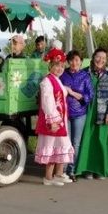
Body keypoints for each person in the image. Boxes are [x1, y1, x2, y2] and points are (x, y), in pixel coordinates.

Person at [75, 47, 108, 179]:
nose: (101, 60)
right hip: (86, 110)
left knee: (101, 140)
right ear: (93, 57)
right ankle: (86, 169)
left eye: (104, 58)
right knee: (87, 138)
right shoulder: (84, 72)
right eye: (98, 57)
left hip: (103, 111)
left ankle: (99, 170)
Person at [35, 47, 75, 186]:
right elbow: (47, 102)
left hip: (61, 121)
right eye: (57, 65)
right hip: (52, 121)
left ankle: (58, 174)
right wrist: (53, 120)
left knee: (62, 146)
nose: (60, 68)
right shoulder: (47, 81)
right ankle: (48, 177)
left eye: (62, 66)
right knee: (52, 147)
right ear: (51, 65)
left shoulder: (57, 80)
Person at [60, 49, 94, 181]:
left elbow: (90, 95)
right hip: (65, 113)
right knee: (64, 142)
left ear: (81, 62)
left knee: (76, 143)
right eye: (72, 60)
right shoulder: (63, 75)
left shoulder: (85, 76)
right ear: (68, 61)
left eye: (77, 60)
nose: (74, 63)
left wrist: (79, 96)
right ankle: (61, 170)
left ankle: (72, 170)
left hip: (80, 113)